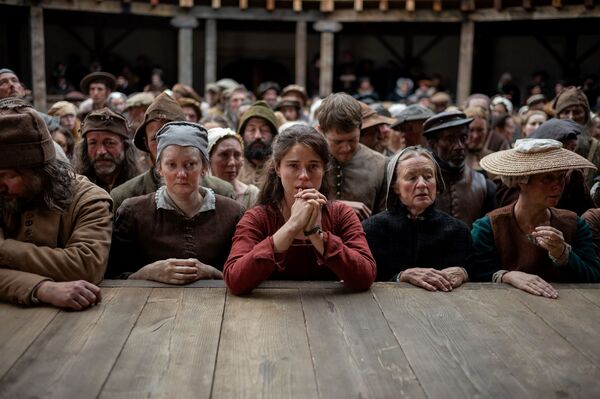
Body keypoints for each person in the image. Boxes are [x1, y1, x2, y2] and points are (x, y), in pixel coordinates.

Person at [223, 125, 376, 295]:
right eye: (294, 166)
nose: (303, 175)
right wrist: (291, 226)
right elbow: (235, 280)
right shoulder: (258, 217)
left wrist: (316, 234)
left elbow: (365, 276)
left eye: (313, 166)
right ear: (278, 168)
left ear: (324, 169)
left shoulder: (341, 214)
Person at [0, 100, 112, 309]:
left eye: (7, 176)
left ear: (38, 172)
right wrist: (41, 288)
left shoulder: (88, 200)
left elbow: (85, 265)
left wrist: (3, 249)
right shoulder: (4, 197)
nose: (1, 186)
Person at [107, 122, 244, 282]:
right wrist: (147, 273)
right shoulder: (133, 213)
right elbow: (112, 276)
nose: (181, 174)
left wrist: (211, 273)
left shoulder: (232, 213)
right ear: (159, 168)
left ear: (204, 168)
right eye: (171, 165)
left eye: (190, 165)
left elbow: (245, 274)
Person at [470, 138, 600, 298]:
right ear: (522, 180)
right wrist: (506, 276)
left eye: (561, 177)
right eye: (547, 178)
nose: (558, 185)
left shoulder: (574, 224)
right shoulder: (489, 226)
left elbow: (594, 278)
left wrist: (564, 255)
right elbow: (475, 274)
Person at [362, 146, 470, 289]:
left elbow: (480, 273)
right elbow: (362, 279)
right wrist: (401, 277)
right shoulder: (371, 230)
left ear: (437, 182)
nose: (422, 184)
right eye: (411, 178)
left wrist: (464, 273)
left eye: (428, 177)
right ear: (395, 186)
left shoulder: (458, 231)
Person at [111, 92, 234, 211]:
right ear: (145, 143)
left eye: (173, 136)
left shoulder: (221, 192)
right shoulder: (125, 196)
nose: (165, 145)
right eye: (156, 139)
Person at [316, 93, 387, 220]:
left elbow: (386, 218)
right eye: (337, 142)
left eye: (352, 140)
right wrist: (336, 207)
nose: (346, 148)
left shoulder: (380, 164)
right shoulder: (307, 161)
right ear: (320, 131)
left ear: (360, 128)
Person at [424, 111, 496, 227]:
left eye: (463, 138)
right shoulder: (421, 186)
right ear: (433, 144)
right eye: (450, 139)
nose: (459, 146)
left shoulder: (484, 185)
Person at [73, 107, 140, 192]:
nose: (101, 152)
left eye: (109, 143)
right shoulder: (76, 190)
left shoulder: (140, 189)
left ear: (125, 146)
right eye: (93, 143)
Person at [208, 127, 260, 209]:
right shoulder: (199, 195)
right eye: (224, 155)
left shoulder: (253, 196)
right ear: (209, 158)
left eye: (237, 155)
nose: (232, 162)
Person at [237, 101, 280, 186]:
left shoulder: (280, 171)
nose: (258, 136)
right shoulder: (233, 169)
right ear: (242, 135)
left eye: (264, 130)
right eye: (251, 130)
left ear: (274, 136)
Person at [464, 106, 492, 173]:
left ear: (487, 131)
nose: (475, 136)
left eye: (480, 130)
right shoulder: (454, 160)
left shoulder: (495, 160)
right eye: (471, 130)